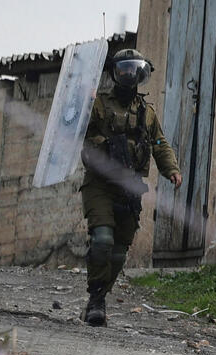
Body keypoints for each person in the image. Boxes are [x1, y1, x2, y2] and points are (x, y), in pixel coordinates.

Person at [79, 48, 182, 326]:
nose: (128, 75)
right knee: (102, 240)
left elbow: (159, 144)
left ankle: (98, 298)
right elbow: (79, 133)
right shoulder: (98, 104)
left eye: (133, 70)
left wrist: (170, 169)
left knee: (119, 252)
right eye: (123, 69)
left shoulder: (146, 113)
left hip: (130, 185)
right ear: (115, 72)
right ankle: (96, 298)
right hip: (100, 184)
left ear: (140, 75)